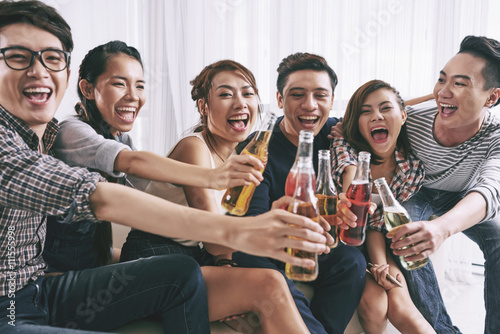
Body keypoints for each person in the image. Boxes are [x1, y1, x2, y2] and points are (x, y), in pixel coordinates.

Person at [0, 1, 329, 332]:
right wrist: (223, 198)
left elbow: (133, 195)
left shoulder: (46, 135)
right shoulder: (59, 134)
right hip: (13, 304)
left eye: (52, 59)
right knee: (262, 282)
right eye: (17, 57)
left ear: (66, 74)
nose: (39, 71)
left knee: (185, 274)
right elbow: (105, 193)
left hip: (42, 288)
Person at [58, 52, 309, 332]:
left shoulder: (242, 154)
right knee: (270, 283)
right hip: (156, 255)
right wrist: (262, 231)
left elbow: (140, 191)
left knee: (272, 284)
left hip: (188, 257)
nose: (240, 103)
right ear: (203, 106)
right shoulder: (195, 147)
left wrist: (228, 264)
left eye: (248, 94)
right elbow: (212, 235)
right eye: (226, 94)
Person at [44, 41, 271, 272]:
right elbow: (133, 162)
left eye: (140, 86)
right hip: (64, 266)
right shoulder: (72, 131)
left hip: (93, 259)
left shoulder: (120, 139)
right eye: (120, 84)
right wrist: (213, 177)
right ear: (88, 89)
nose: (133, 96)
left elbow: (147, 193)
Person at [232, 52, 367, 334]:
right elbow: (252, 220)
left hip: (318, 244)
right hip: (271, 244)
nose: (310, 105)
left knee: (351, 262)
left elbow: (385, 114)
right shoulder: (259, 148)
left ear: (332, 100)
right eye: (297, 95)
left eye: (320, 95)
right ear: (280, 100)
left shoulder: (336, 133)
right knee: (254, 262)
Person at [385, 35, 500, 334]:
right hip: (415, 191)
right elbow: (356, 119)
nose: (444, 91)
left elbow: (490, 189)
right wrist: (418, 101)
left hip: (463, 194)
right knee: (405, 231)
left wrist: (443, 228)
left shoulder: (496, 136)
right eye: (441, 79)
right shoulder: (412, 121)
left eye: (461, 83)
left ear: (492, 97)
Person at [331, 80, 434, 333]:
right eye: (366, 112)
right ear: (357, 122)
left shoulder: (410, 170)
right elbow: (352, 184)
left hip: (378, 241)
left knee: (399, 301)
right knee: (375, 305)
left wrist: (382, 265)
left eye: (385, 108)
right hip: (344, 242)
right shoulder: (345, 146)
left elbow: (378, 225)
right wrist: (350, 196)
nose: (376, 116)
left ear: (403, 116)